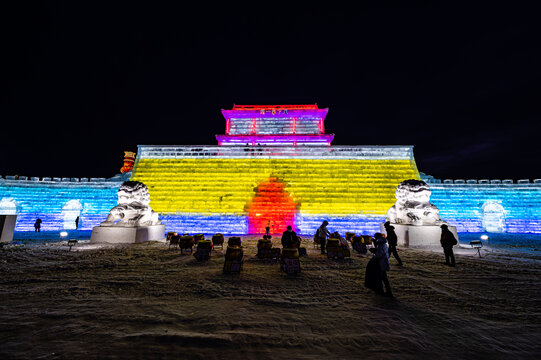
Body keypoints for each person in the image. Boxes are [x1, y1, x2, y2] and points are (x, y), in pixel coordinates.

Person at [369, 233, 393, 297]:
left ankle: (384, 291)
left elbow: (379, 254)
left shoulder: (380, 244)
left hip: (381, 263)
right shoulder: (382, 243)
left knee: (382, 277)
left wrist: (374, 251)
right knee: (383, 277)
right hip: (383, 262)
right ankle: (386, 291)